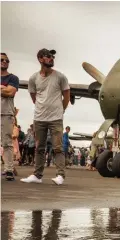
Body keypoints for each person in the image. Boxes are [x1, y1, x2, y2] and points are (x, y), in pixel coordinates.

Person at [21, 49, 70, 185]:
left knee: (58, 147)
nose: (51, 58)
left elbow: (66, 96)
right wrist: (42, 107)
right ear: (40, 59)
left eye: (52, 56)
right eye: (48, 56)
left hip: (56, 118)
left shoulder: (60, 77)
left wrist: (61, 110)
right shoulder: (33, 78)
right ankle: (37, 175)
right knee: (39, 147)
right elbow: (34, 97)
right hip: (39, 118)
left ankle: (60, 175)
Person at [1, 52, 19, 181]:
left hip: (6, 113)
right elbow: (5, 90)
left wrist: (6, 89)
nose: (4, 62)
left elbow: (10, 92)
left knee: (7, 142)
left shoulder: (13, 78)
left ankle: (8, 170)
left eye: (7, 60)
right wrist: (3, 88)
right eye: (2, 59)